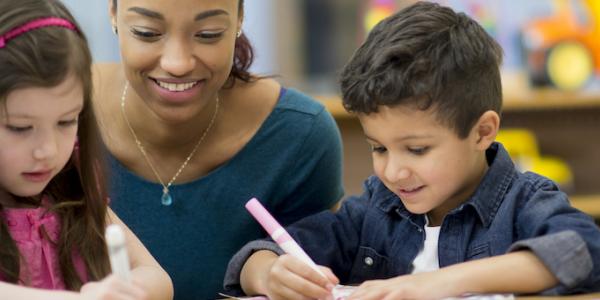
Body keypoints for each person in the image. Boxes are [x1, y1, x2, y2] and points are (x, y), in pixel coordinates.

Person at [223, 2, 600, 299]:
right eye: (379, 148)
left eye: (417, 150)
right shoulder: (375, 210)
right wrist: (269, 273)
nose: (393, 172)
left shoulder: (525, 201)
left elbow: (580, 250)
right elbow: (263, 253)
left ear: (482, 131)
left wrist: (438, 284)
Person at [93, 0, 344, 298]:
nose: (178, 63)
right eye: (147, 33)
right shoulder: (58, 115)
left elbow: (313, 272)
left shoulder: (299, 135)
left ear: (239, 20)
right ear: (113, 14)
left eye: (208, 34)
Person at [0, 1, 173, 299]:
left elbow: (157, 278)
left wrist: (128, 291)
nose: (47, 150)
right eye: (20, 128)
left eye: (66, 122)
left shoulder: (70, 190)